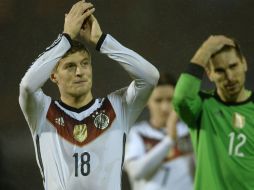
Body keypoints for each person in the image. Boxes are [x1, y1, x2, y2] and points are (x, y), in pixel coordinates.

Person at [18, 1, 159, 189]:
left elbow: (150, 77)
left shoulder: (117, 108)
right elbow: (27, 85)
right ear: (53, 76)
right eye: (70, 66)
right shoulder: (42, 111)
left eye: (85, 64)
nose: (79, 72)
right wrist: (65, 38)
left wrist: (102, 41)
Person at [173, 35, 254, 190]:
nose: (230, 77)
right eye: (220, 71)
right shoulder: (202, 107)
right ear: (209, 74)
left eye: (233, 66)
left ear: (244, 63)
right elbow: (181, 99)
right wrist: (206, 49)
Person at [125, 73, 194, 190]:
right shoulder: (136, 133)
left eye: (170, 99)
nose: (165, 107)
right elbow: (135, 172)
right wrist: (169, 140)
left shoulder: (191, 131)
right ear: (147, 101)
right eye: (158, 100)